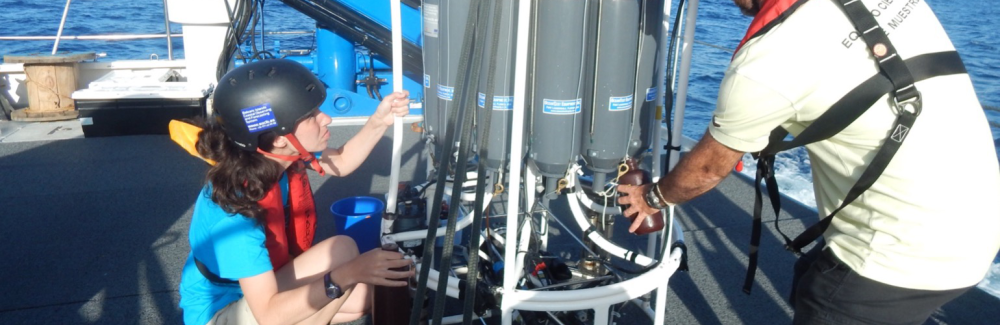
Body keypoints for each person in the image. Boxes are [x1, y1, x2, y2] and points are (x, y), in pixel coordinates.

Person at [618, 0, 1000, 324]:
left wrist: (652, 199)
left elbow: (706, 169)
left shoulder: (768, 59)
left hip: (898, 257)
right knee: (809, 276)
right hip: (980, 224)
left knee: (825, 301)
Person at [175, 59, 415, 325]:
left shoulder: (273, 159)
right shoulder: (235, 214)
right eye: (311, 116)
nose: (327, 118)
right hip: (220, 311)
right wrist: (349, 274)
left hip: (263, 285)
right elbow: (269, 315)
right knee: (346, 267)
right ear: (279, 138)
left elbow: (342, 162)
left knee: (361, 288)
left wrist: (380, 120)